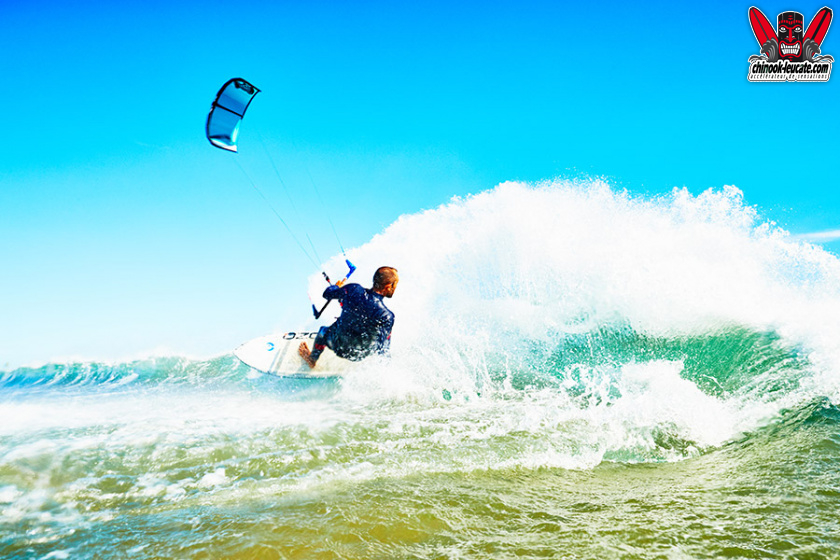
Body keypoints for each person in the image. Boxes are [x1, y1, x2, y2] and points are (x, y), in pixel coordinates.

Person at [298, 266, 398, 368]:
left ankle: (312, 359)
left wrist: (336, 288)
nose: (395, 288)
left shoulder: (353, 289)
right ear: (388, 286)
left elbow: (327, 294)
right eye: (395, 285)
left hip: (337, 345)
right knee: (373, 341)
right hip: (359, 355)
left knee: (323, 332)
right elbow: (383, 350)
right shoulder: (386, 316)